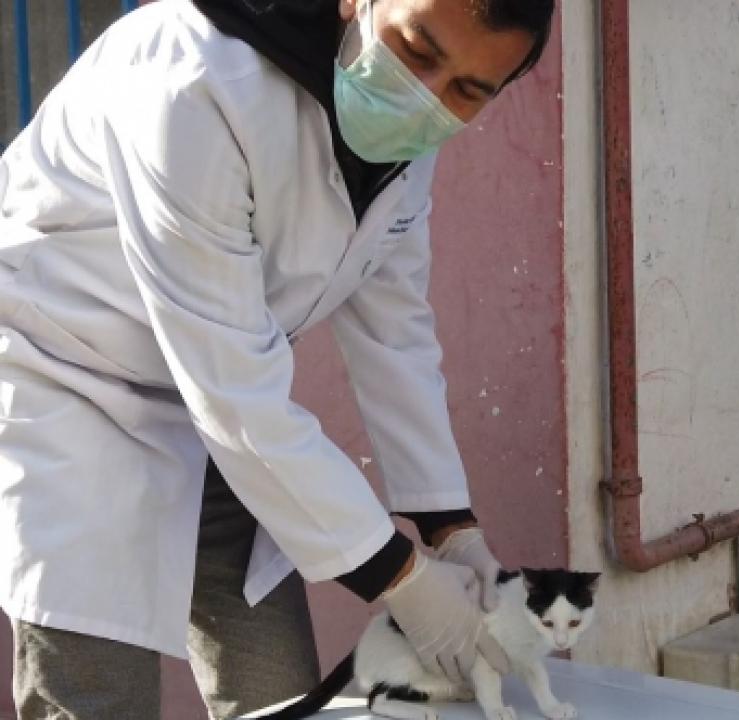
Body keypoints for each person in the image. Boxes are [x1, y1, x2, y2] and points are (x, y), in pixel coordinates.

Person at [0, 0, 554, 717]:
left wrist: (450, 528)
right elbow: (232, 388)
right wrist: (403, 580)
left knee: (278, 688)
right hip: (65, 387)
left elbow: (394, 333)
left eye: (468, 91)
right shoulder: (194, 79)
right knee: (100, 695)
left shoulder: (405, 140)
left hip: (216, 415)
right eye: (418, 52)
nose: (428, 99)